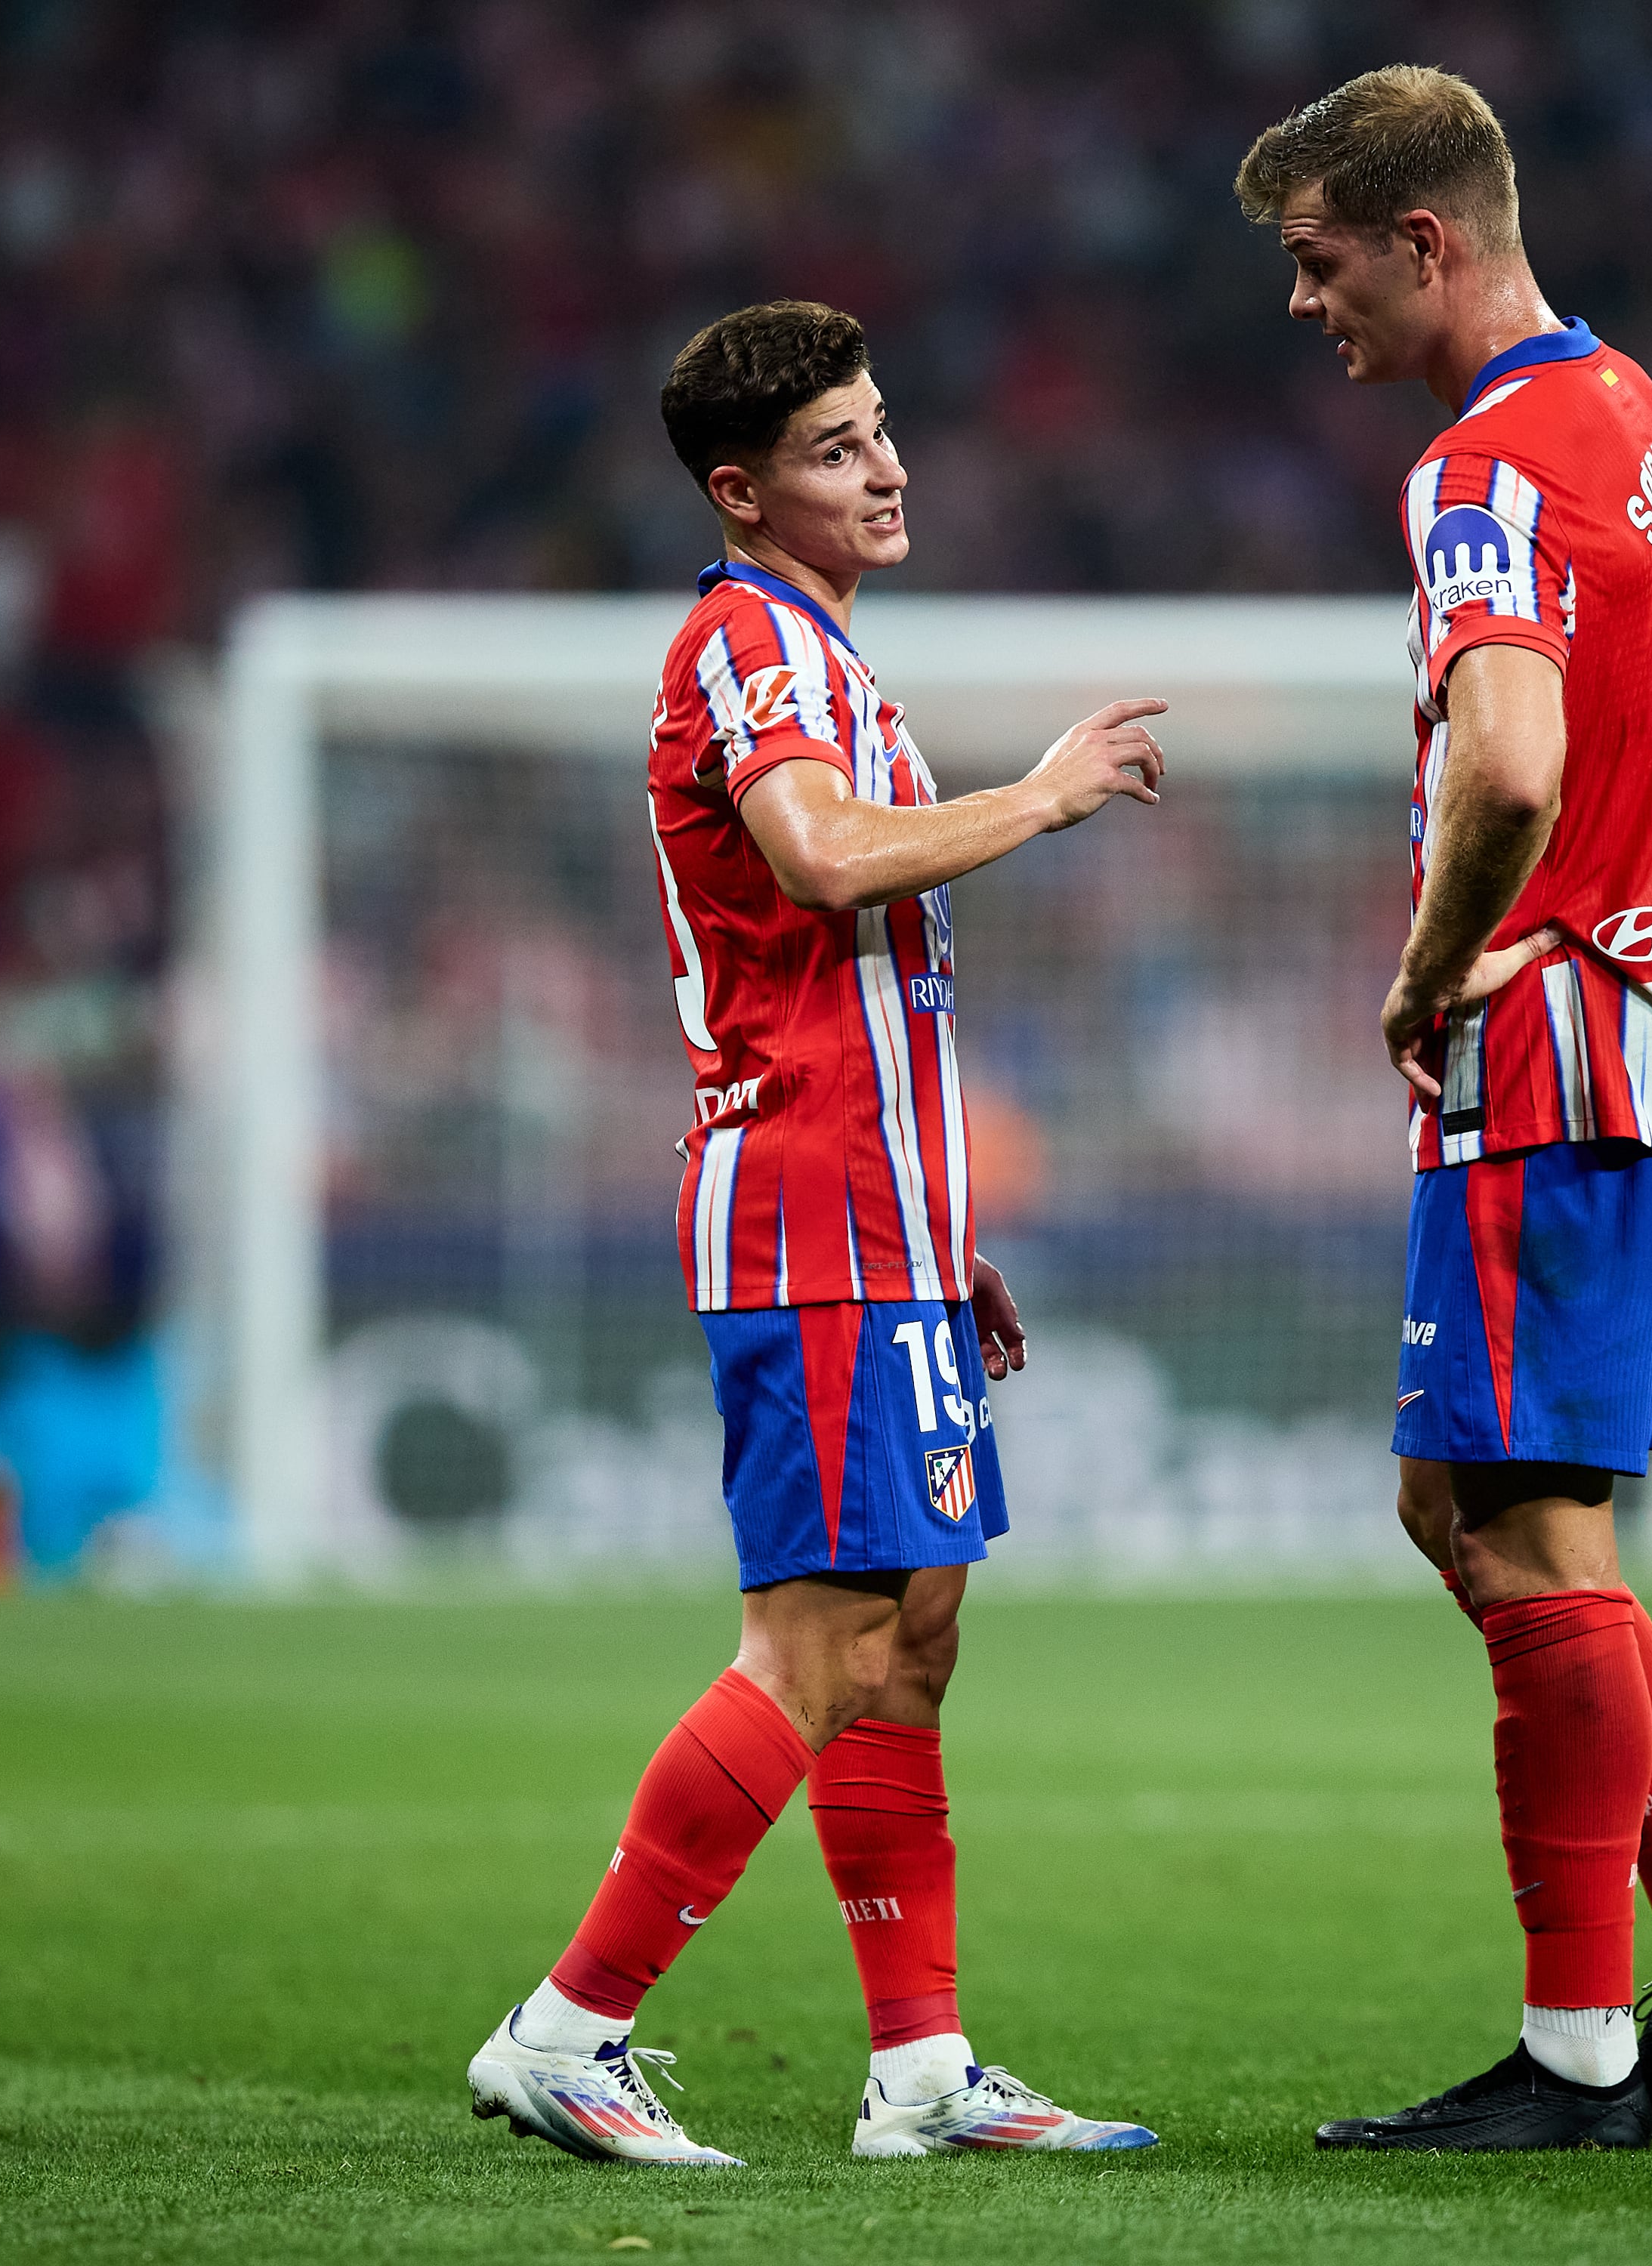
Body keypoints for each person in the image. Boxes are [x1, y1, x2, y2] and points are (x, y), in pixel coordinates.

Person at [465, 300, 1169, 2168]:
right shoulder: (753, 641)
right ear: (740, 489)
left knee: (915, 1631)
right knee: (822, 1638)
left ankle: (922, 2076)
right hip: (807, 1204)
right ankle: (568, 2028)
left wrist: (944, 1230)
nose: (889, 465)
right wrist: (1042, 793)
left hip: (887, 1217)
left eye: (884, 429)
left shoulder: (829, 651)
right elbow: (822, 855)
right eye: (841, 446)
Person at [1235, 68, 1652, 2152]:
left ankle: (1579, 2055)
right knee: (1459, 1507)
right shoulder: (1634, 418)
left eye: (1316, 267)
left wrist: (1432, 966)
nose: (1300, 309)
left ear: (1424, 241)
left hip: (1551, 1072)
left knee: (1525, 1528)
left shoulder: (1474, 468)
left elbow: (1498, 763)